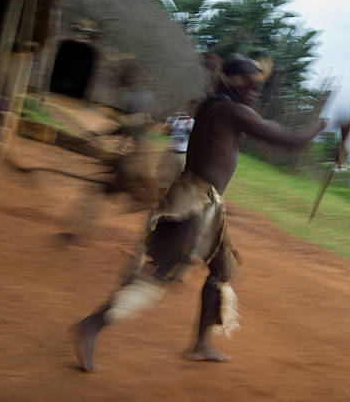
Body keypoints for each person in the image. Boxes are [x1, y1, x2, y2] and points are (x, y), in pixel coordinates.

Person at [71, 53, 327, 372]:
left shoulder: (213, 105)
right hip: (191, 202)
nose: (255, 91)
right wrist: (322, 127)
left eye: (257, 85)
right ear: (233, 84)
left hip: (205, 202)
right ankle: (91, 325)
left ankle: (201, 344)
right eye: (249, 84)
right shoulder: (231, 110)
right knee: (160, 276)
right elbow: (283, 138)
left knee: (222, 270)